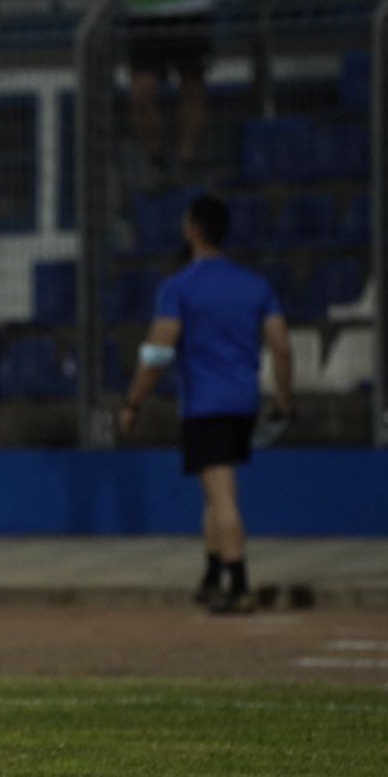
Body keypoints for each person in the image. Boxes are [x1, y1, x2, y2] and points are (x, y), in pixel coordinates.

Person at [120, 194, 291, 614]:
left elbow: (158, 352)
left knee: (222, 492)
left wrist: (133, 401)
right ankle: (213, 572)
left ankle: (239, 581)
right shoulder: (255, 285)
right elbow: (282, 347)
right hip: (243, 401)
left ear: (193, 230)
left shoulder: (179, 287)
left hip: (204, 403)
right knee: (214, 491)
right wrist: (283, 398)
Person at [126, 0, 220, 182]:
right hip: (143, 14)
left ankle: (186, 160)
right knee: (141, 91)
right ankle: (154, 158)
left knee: (192, 87)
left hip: (190, 10)